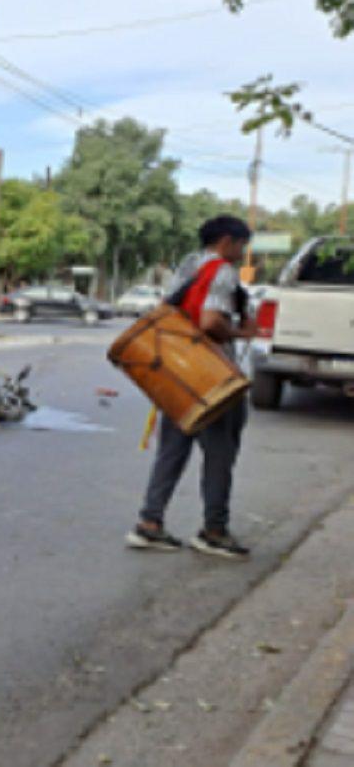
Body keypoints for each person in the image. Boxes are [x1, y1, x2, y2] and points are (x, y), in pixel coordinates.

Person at [126, 215, 257, 559]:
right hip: (211, 377)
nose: (242, 252)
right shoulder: (222, 272)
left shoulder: (187, 267)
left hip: (177, 374)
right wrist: (241, 332)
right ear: (227, 241)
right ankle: (214, 531)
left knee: (172, 451)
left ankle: (149, 523)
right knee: (219, 455)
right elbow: (210, 321)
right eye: (241, 245)